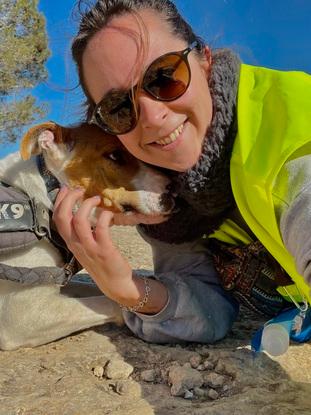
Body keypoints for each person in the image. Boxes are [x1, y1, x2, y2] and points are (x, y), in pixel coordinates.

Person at [53, 0, 311, 344]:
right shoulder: (168, 194)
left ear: (204, 60)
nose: (152, 116)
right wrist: (128, 289)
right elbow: (210, 314)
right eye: (118, 107)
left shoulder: (288, 129)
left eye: (163, 76)